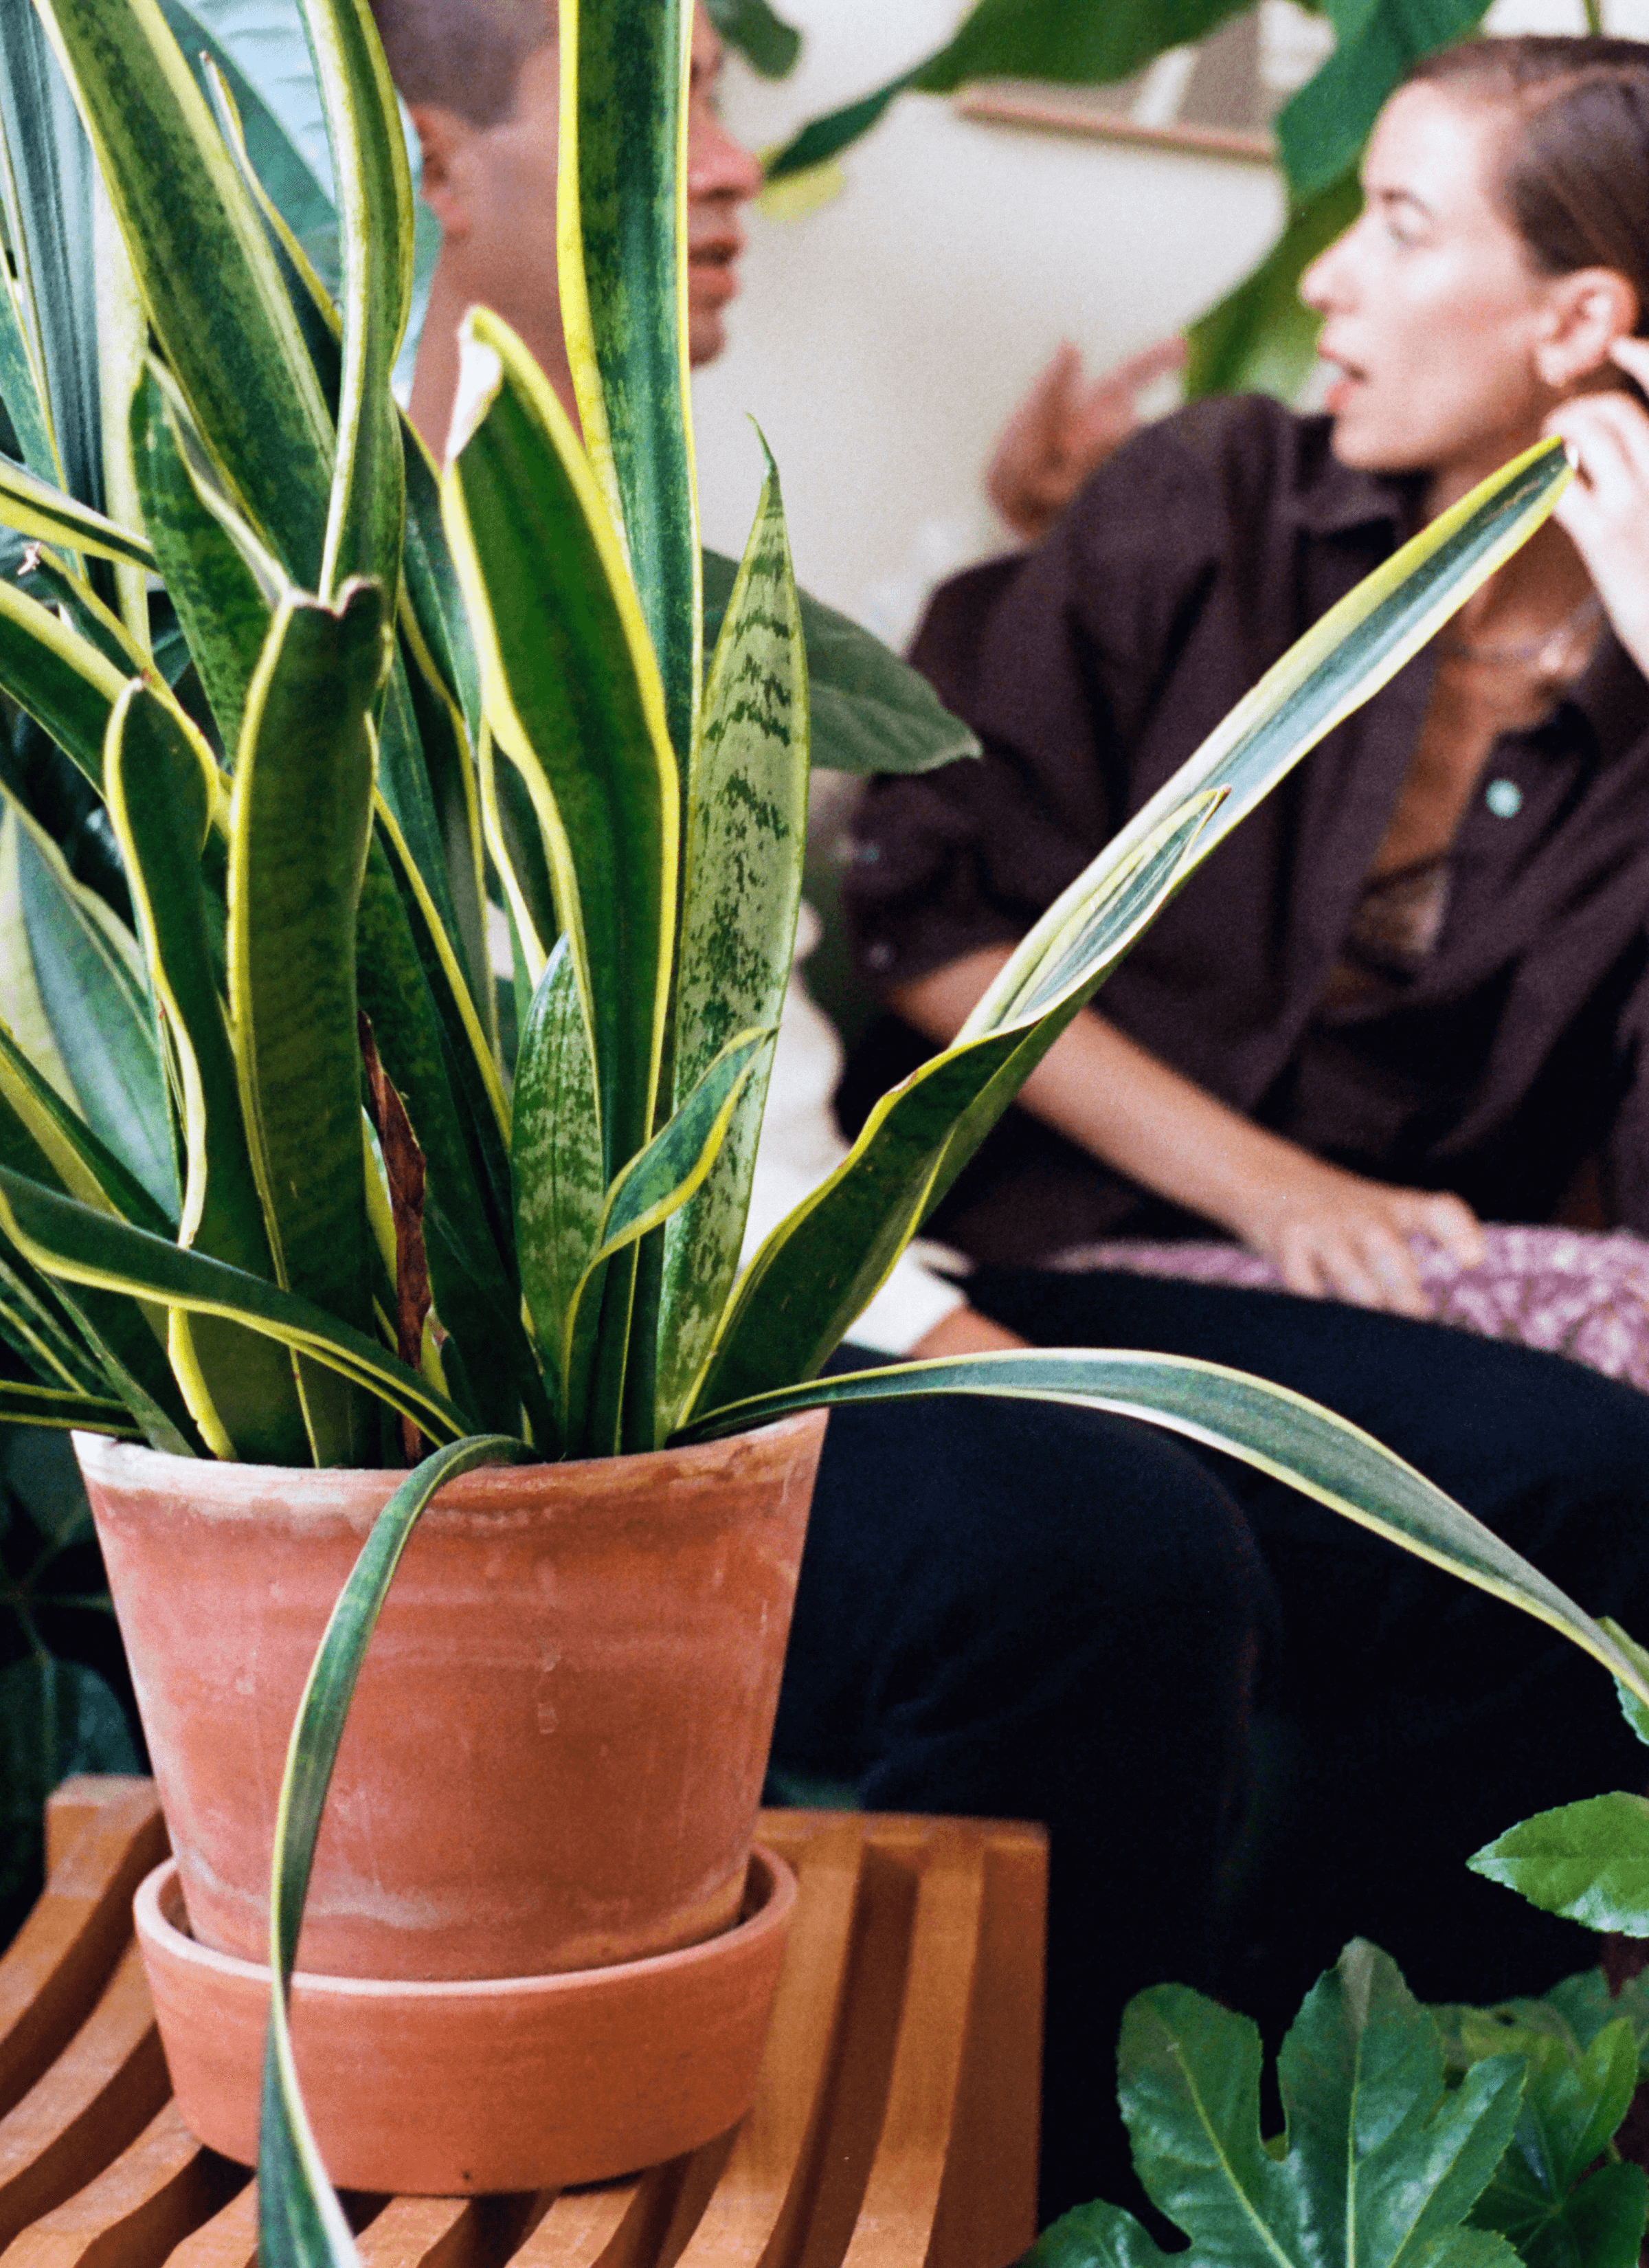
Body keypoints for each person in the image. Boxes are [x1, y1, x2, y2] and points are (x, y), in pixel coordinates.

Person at [375, 0, 1649, 2225]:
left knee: (1596, 1488)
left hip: (878, 1249)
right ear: (431, 164)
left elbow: (793, 961)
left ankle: (1370, 2158)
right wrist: (960, 1343)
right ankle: (1040, 2201)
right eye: (663, 105)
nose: (732, 165)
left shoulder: (649, 500)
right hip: (634, 1334)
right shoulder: (315, 560)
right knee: (1114, 1554)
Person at [844, 36, 1649, 1335]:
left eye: (1399, 227)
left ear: (1578, 323)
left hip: (1417, 1311)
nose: (1327, 281)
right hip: (1044, 1252)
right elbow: (927, 920)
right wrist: (1284, 1196)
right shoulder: (1214, 497)